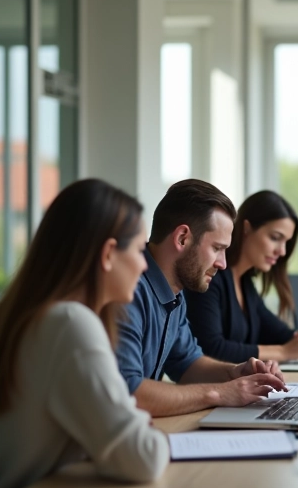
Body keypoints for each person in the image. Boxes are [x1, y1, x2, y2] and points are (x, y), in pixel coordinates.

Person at [0, 179, 169, 488]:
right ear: (107, 254)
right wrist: (138, 426)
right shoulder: (70, 325)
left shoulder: (23, 318)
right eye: (138, 252)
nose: (145, 265)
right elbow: (143, 458)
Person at [115, 179, 287, 418]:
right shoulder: (126, 290)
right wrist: (221, 393)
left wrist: (237, 372)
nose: (223, 263)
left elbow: (187, 363)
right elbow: (128, 392)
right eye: (217, 248)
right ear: (182, 238)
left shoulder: (175, 292)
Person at [184, 190, 298, 363]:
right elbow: (211, 348)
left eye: (286, 242)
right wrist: (283, 352)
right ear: (247, 228)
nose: (282, 251)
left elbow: (279, 333)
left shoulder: (245, 284)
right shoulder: (210, 278)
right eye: (275, 238)